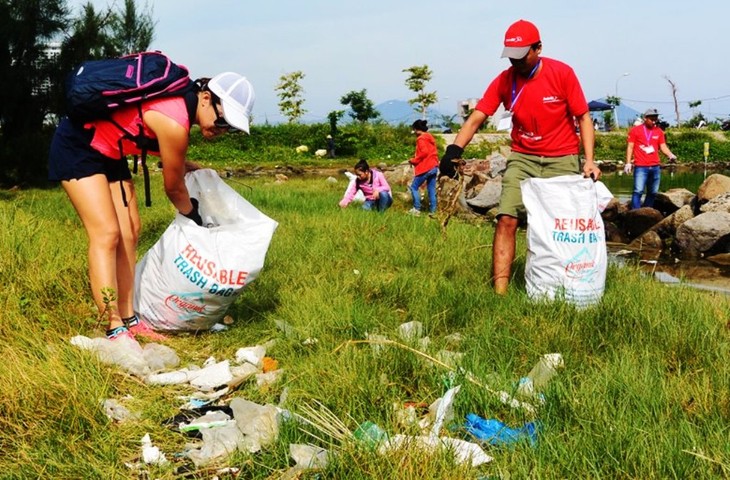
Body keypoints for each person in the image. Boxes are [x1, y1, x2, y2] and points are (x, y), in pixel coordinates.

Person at [48, 71, 255, 341]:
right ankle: (113, 325)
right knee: (106, 233)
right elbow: (173, 188)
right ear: (206, 98)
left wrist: (190, 169)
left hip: (110, 151)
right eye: (223, 119)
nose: (222, 129)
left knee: (131, 231)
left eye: (230, 126)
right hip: (79, 145)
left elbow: (162, 152)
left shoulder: (180, 110)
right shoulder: (175, 121)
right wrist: (194, 218)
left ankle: (129, 318)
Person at [439, 19, 599, 295]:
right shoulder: (504, 80)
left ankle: (564, 287)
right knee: (506, 219)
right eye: (510, 56)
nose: (515, 62)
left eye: (521, 55)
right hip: (523, 157)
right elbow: (477, 117)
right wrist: (454, 150)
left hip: (561, 158)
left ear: (538, 48)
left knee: (558, 227)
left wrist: (589, 160)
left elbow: (583, 117)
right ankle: (499, 294)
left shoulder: (562, 73)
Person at [624, 108, 677, 209]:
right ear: (645, 118)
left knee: (652, 192)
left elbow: (663, 146)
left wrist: (670, 155)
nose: (654, 121)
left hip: (655, 166)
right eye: (652, 119)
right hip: (641, 166)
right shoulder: (635, 130)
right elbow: (630, 147)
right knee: (638, 190)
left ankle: (647, 211)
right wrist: (628, 163)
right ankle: (635, 212)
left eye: (655, 119)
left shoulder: (659, 132)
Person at [407, 119, 439, 217]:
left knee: (414, 187)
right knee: (431, 189)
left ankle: (416, 209)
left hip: (425, 167)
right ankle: (433, 211)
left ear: (416, 129)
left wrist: (414, 160)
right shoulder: (430, 137)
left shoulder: (421, 138)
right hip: (434, 166)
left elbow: (424, 152)